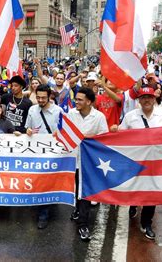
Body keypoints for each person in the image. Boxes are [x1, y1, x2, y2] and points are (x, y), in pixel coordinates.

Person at [113, 87, 162, 240]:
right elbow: (121, 134)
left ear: (154, 99)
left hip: (156, 162)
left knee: (152, 192)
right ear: (139, 100)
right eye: (143, 97)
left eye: (149, 97)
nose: (147, 100)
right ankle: (133, 205)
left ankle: (146, 223)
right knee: (135, 187)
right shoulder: (130, 116)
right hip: (135, 161)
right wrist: (115, 130)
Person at [67, 87, 108, 241]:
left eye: (79, 99)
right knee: (77, 187)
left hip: (90, 161)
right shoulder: (71, 113)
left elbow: (104, 137)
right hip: (73, 159)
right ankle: (78, 211)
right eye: (75, 99)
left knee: (85, 191)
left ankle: (83, 224)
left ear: (89, 102)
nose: (76, 101)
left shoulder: (99, 117)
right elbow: (65, 131)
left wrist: (85, 137)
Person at [24, 84, 61, 229]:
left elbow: (64, 131)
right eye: (38, 97)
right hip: (35, 151)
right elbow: (28, 126)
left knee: (47, 181)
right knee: (40, 181)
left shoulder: (58, 112)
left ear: (50, 96)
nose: (40, 100)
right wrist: (27, 130)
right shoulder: (32, 109)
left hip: (53, 153)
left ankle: (44, 213)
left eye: (43, 98)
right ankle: (42, 208)